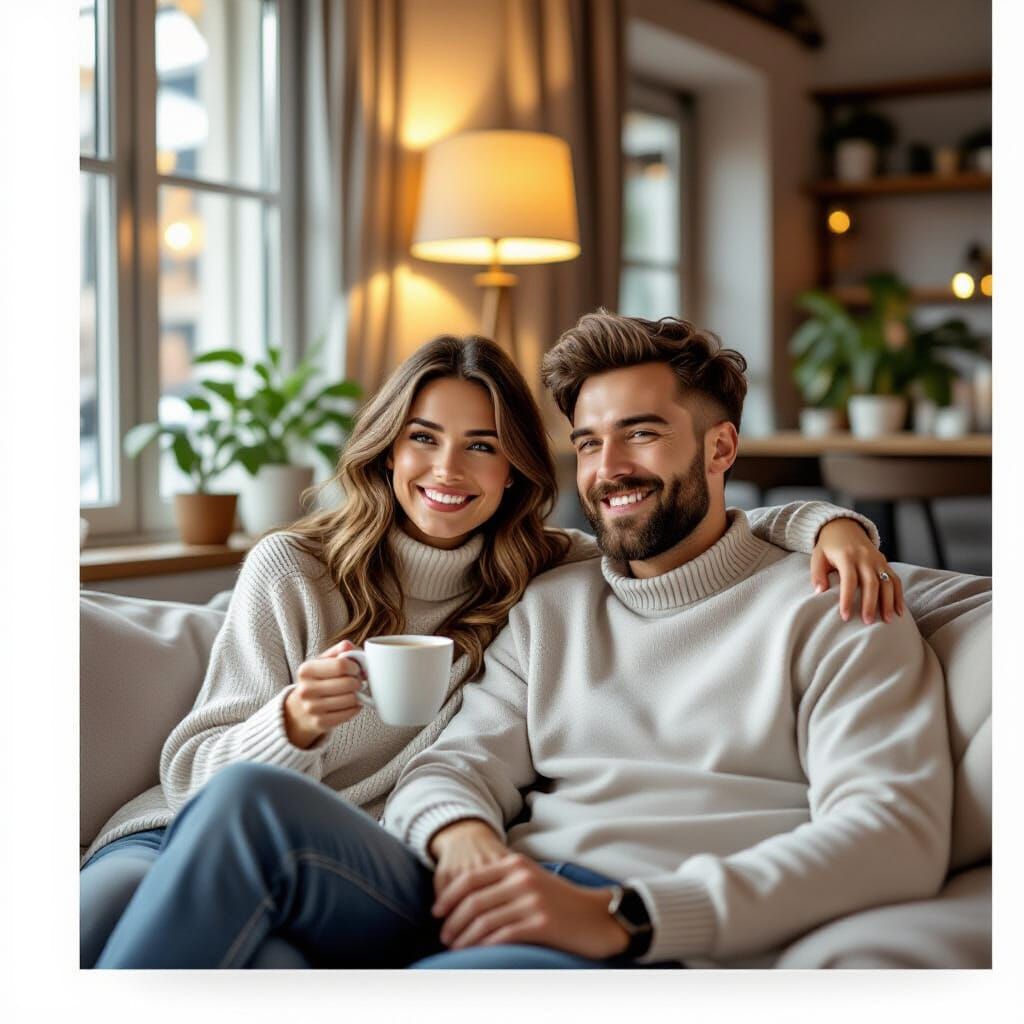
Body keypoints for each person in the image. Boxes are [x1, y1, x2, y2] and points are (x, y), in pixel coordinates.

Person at [88, 327, 899, 969]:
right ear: (388, 448)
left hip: (361, 859)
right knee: (98, 918)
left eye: (481, 445)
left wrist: (826, 523)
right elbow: (191, 777)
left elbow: (683, 541)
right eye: (423, 438)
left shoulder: (545, 573)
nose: (447, 468)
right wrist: (291, 726)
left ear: (514, 466)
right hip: (183, 820)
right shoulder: (296, 567)